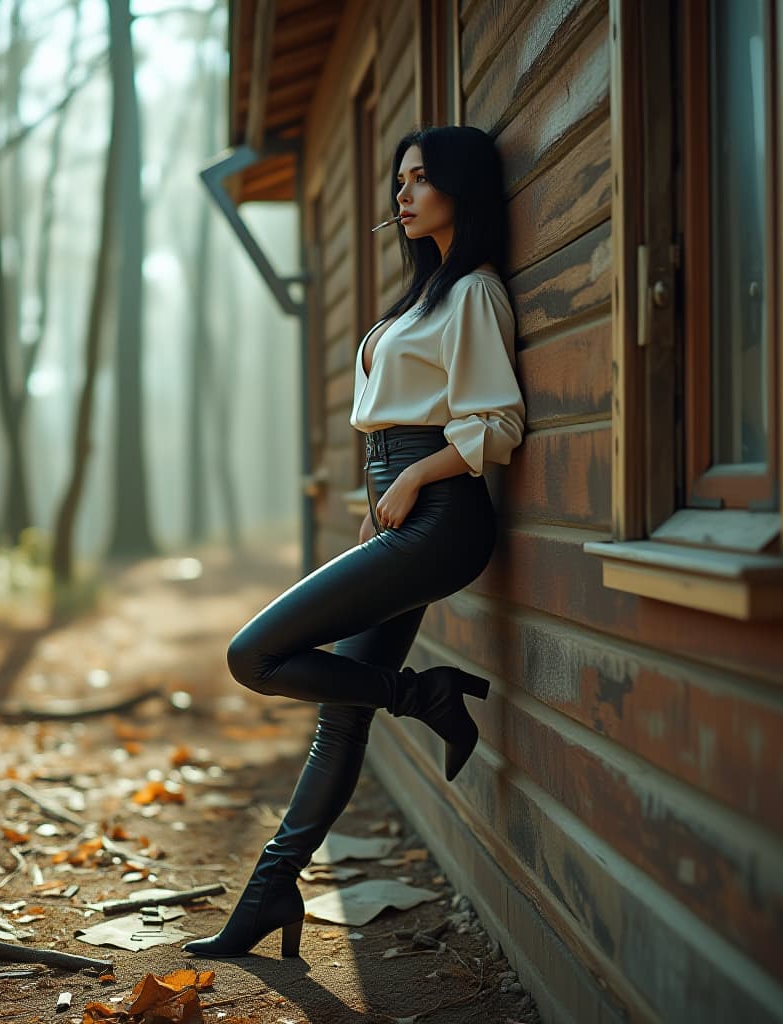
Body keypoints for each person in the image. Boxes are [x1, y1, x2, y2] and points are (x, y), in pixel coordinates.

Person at [183, 125, 526, 961]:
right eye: (397, 181)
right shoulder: (425, 296)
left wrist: (408, 482)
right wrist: (380, 492)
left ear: (461, 188)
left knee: (253, 655)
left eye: (419, 179)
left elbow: (499, 424)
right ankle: (272, 894)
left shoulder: (474, 293)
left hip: (442, 515)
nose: (401, 195)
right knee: (341, 715)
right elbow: (386, 422)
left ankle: (424, 697)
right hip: (403, 510)